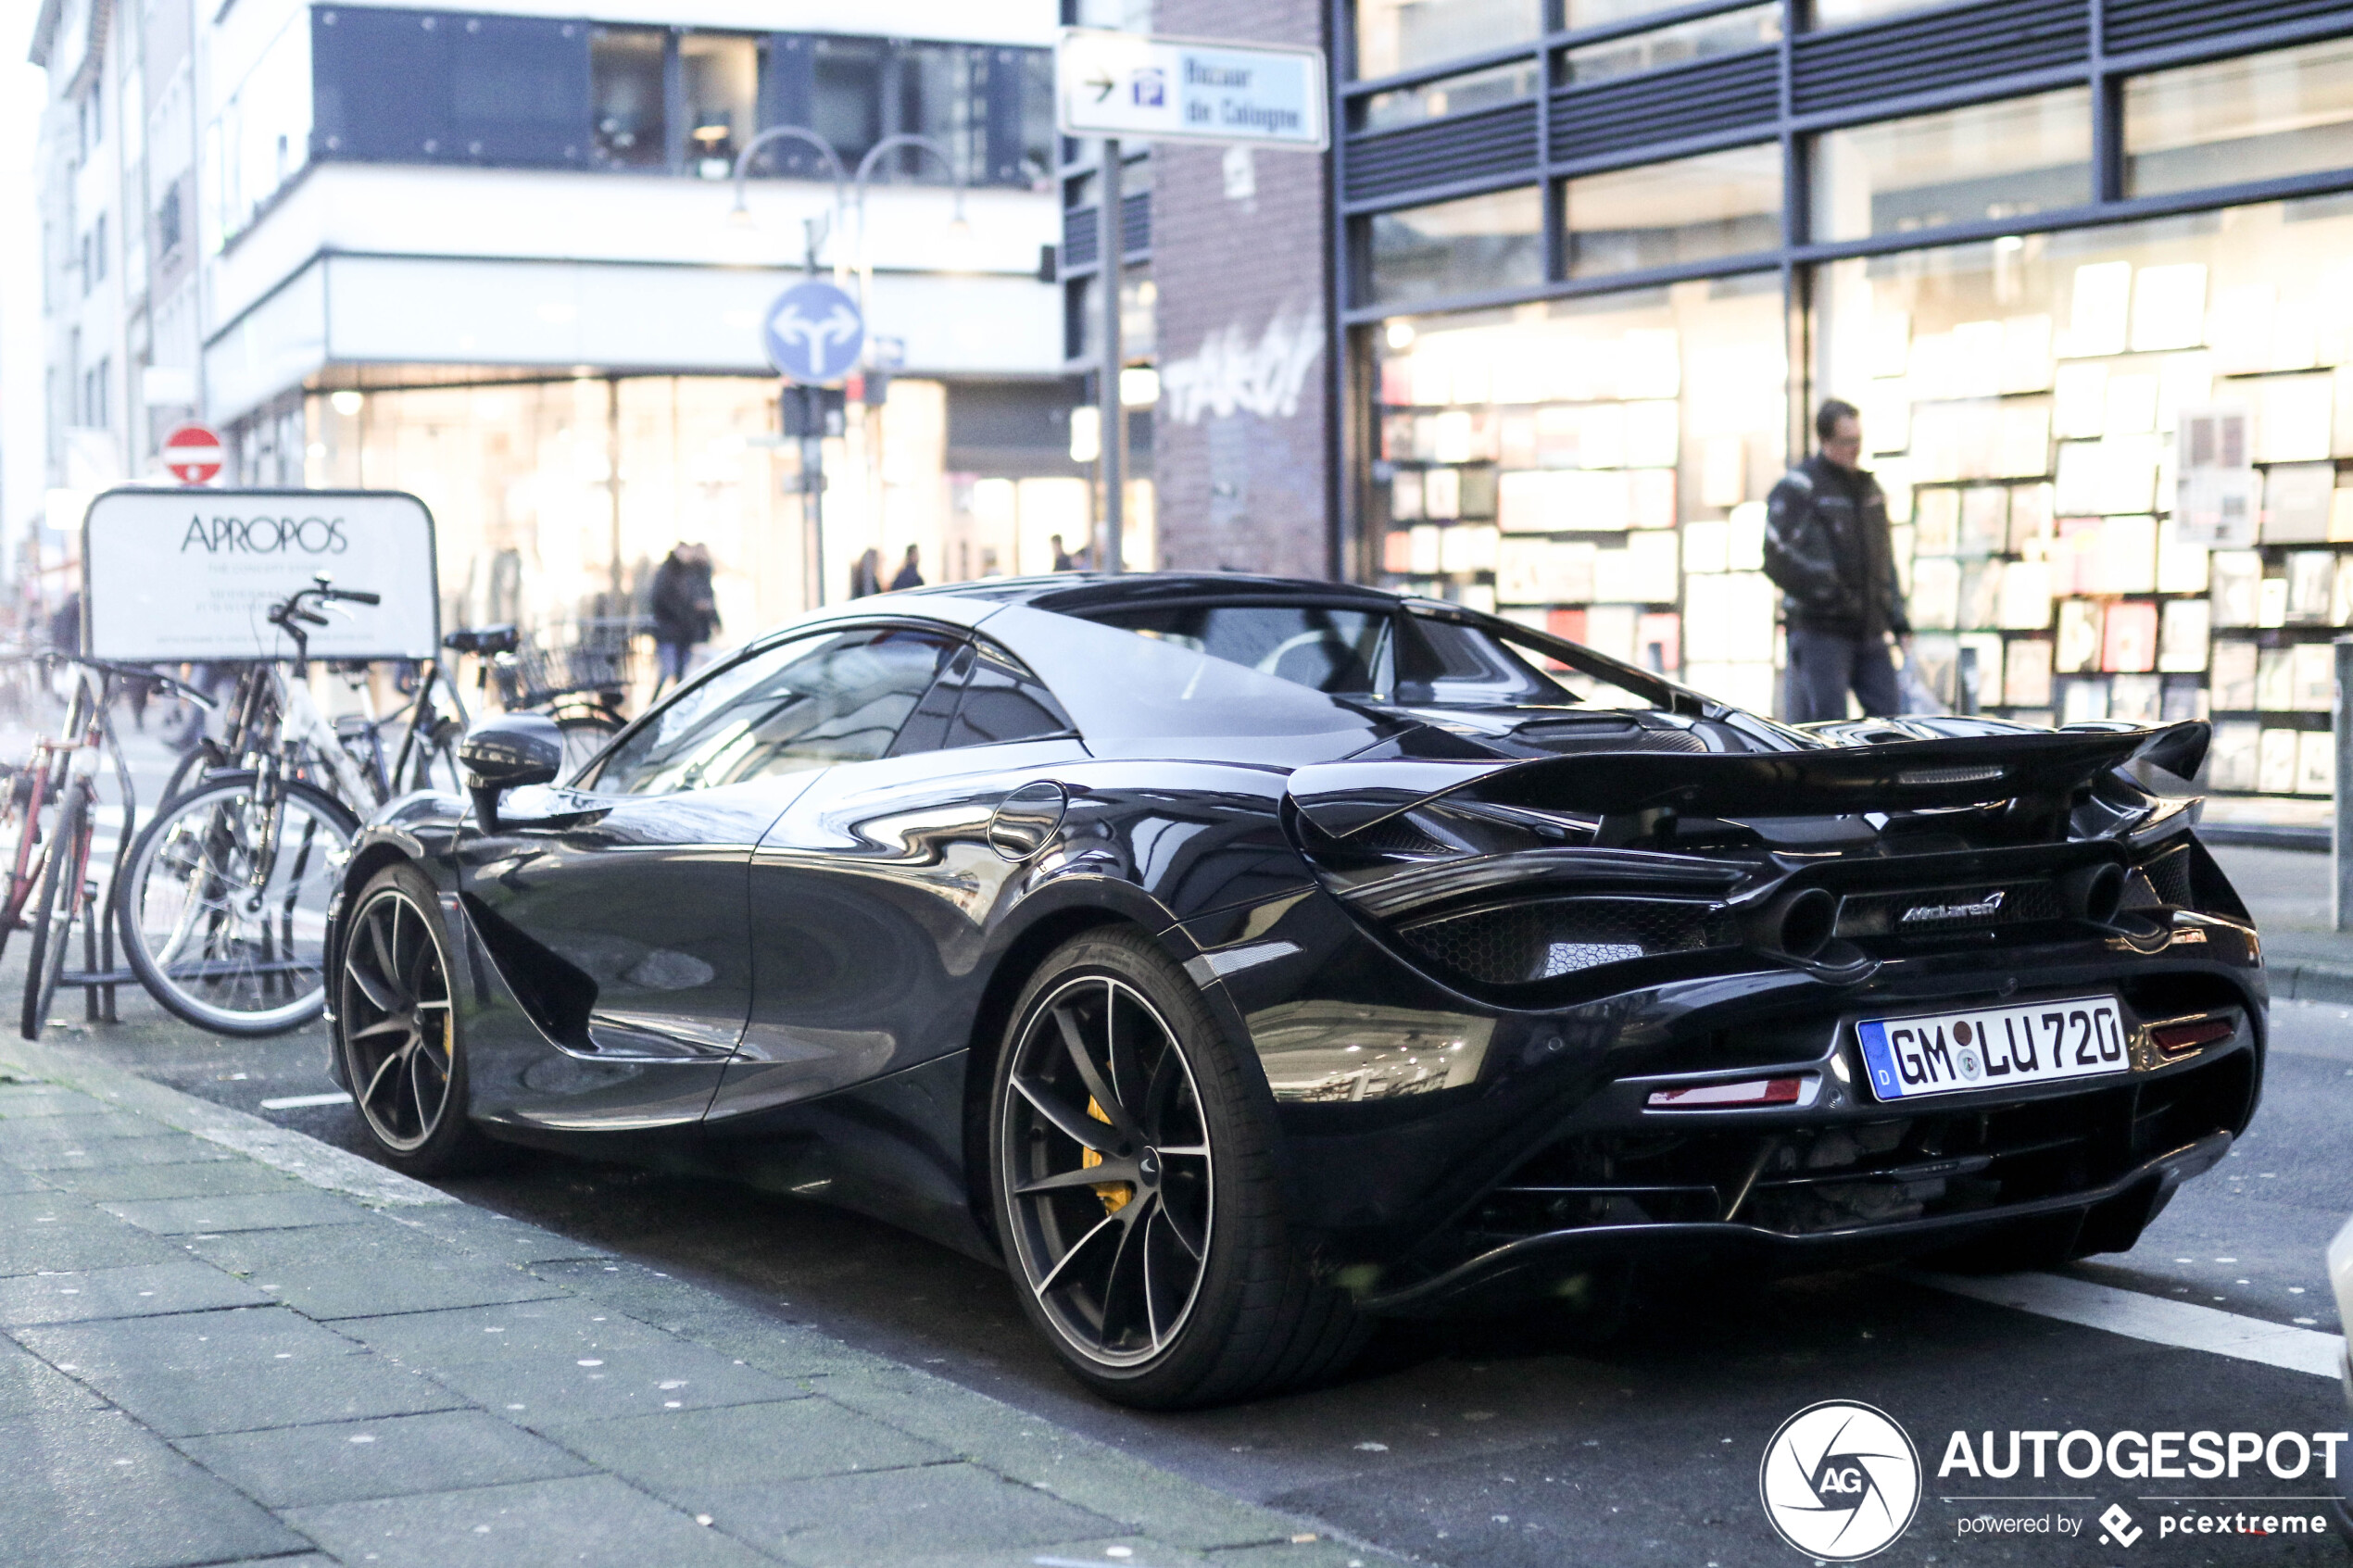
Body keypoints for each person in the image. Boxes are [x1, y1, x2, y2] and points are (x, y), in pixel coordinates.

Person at [1763, 399, 1912, 723]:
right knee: (1825, 727)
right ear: (1825, 440)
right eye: (1847, 441)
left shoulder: (1869, 489)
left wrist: (1899, 619)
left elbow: (1885, 560)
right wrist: (1829, 595)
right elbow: (1776, 557)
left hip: (1870, 630)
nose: (1855, 449)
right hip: (1821, 631)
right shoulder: (1799, 488)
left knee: (1891, 722)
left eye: (1858, 439)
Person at [648, 542, 718, 698]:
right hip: (669, 631)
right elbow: (662, 600)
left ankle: (671, 704)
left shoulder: (686, 572)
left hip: (683, 631)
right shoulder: (668, 572)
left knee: (679, 674)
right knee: (667, 672)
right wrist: (690, 609)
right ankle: (653, 708)